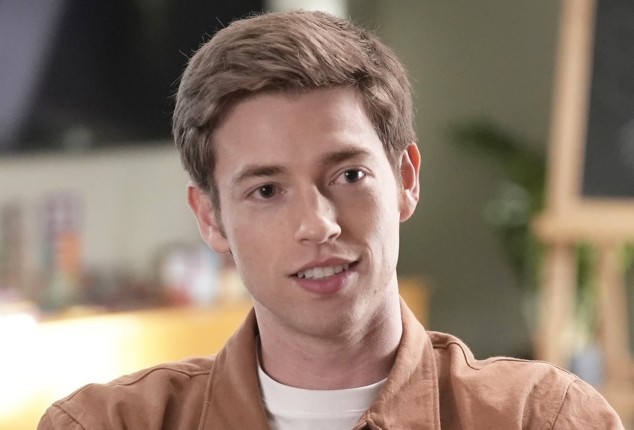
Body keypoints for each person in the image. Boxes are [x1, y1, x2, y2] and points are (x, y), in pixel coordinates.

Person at [38, 10, 624, 430]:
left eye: (348, 175)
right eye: (267, 190)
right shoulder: (106, 423)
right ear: (211, 217)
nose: (318, 225)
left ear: (406, 179)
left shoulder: (540, 418)